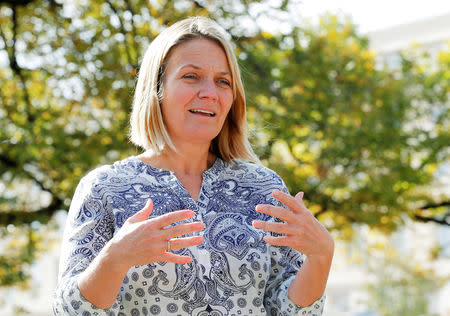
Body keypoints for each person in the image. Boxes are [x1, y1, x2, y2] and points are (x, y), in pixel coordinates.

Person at [53, 16, 334, 316]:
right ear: (157, 88)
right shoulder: (104, 188)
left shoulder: (265, 189)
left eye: (223, 81)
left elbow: (288, 310)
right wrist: (113, 259)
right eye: (191, 76)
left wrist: (322, 257)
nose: (210, 93)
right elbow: (70, 311)